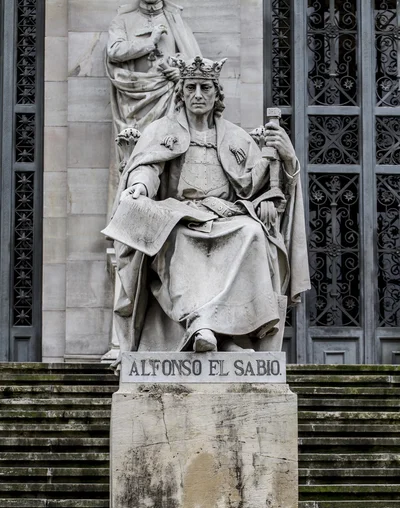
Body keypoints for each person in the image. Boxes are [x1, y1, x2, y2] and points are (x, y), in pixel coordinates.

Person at [102, 56, 310, 360]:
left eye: (205, 88)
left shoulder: (237, 137)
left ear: (217, 94)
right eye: (191, 88)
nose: (198, 94)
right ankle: (201, 326)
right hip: (179, 216)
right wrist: (140, 187)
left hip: (225, 217)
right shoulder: (162, 130)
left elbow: (263, 185)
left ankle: (222, 331)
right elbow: (148, 167)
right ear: (181, 93)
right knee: (178, 239)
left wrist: (286, 161)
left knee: (252, 233)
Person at [106, 0, 201, 134]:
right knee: (136, 145)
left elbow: (195, 62)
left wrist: (182, 73)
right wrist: (149, 42)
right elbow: (114, 51)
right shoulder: (122, 20)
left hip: (169, 95)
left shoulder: (176, 20)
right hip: (134, 95)